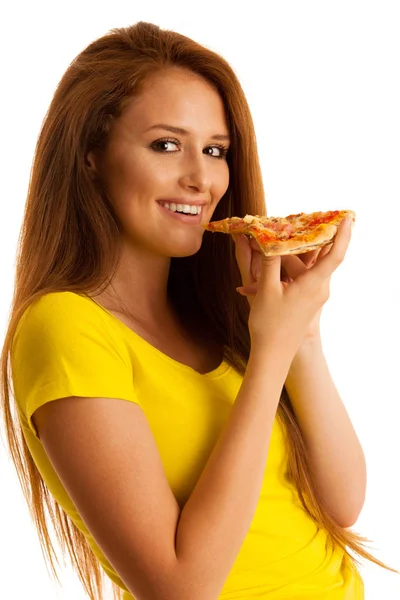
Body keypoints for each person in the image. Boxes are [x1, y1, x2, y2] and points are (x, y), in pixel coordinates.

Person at [1, 21, 397, 600]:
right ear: (90, 155)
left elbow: (343, 501)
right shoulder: (64, 327)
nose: (202, 178)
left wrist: (301, 335)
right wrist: (270, 354)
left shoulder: (215, 313)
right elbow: (180, 588)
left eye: (215, 150)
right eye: (166, 144)